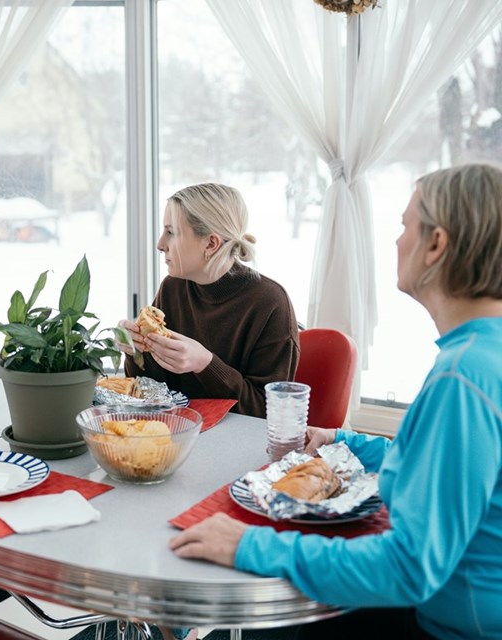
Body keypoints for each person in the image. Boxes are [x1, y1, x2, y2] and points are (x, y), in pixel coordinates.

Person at [168, 164, 502, 639]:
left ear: (437, 245)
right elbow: (445, 469)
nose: (395, 241)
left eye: (405, 226)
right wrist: (344, 442)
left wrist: (251, 545)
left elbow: (408, 568)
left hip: (452, 625)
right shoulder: (482, 354)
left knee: (263, 624)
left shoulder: (462, 377)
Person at [117, 182, 299, 418]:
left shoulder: (270, 303)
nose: (160, 245)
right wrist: (135, 349)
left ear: (211, 244)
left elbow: (270, 412)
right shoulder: (172, 288)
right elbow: (154, 389)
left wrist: (205, 363)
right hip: (179, 434)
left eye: (171, 232)